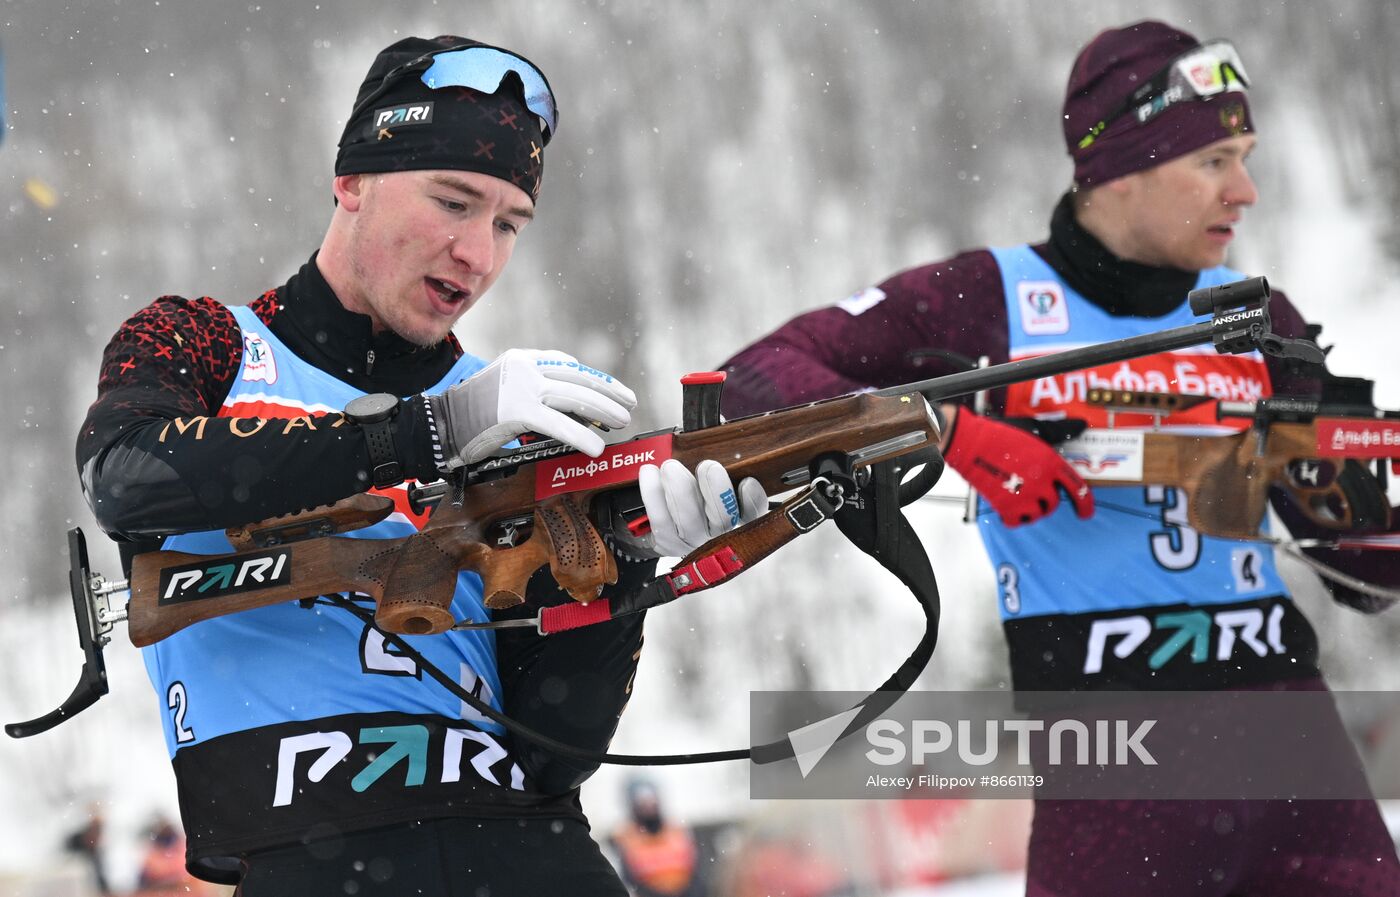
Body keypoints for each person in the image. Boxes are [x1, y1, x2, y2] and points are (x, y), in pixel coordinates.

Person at [719, 20, 1400, 897]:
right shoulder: (984, 300)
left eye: (1247, 156)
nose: (1248, 190)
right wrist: (950, 432)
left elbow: (1368, 572)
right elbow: (752, 380)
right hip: (1112, 756)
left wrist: (1347, 477)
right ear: (1121, 164)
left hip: (1293, 750)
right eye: (1216, 161)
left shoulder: (1260, 317)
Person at [77, 35, 764, 896]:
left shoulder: (518, 413)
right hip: (305, 849)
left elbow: (559, 751)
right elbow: (124, 472)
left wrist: (626, 567)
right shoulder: (206, 340)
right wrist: (418, 435)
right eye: (453, 201)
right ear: (352, 181)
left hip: (528, 846)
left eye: (509, 222)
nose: (479, 253)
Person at [608, 777, 706, 897]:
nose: (649, 807)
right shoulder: (625, 837)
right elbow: (628, 879)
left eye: (651, 802)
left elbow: (695, 870)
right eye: (642, 804)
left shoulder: (677, 830)